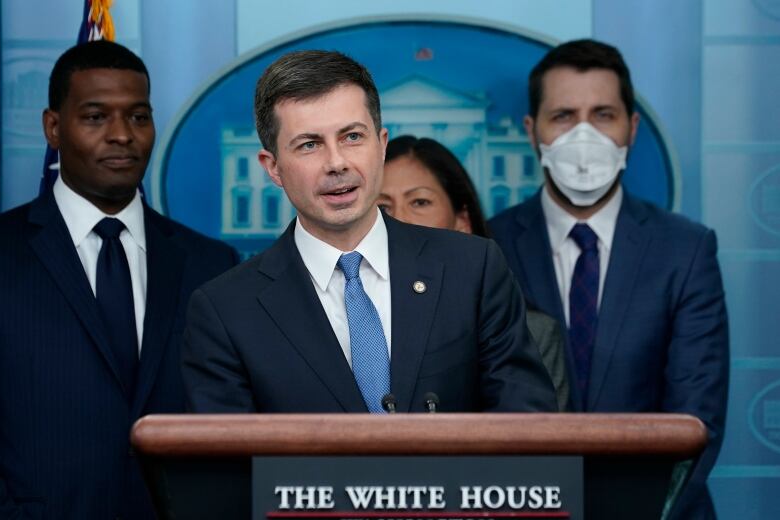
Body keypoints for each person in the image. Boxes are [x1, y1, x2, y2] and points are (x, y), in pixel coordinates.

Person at [182, 50, 557, 415]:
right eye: (310, 145)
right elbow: (226, 469)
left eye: (352, 137)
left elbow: (526, 429)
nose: (336, 163)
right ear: (273, 167)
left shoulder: (473, 269)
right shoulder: (226, 311)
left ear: (381, 145)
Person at [488, 39, 728, 519]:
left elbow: (696, 419)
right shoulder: (487, 249)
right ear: (532, 131)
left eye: (602, 115)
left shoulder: (686, 250)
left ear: (631, 129)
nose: (584, 137)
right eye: (563, 116)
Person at [0, 40, 238, 519]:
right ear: (53, 127)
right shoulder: (6, 253)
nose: (121, 135)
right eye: (94, 116)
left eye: (138, 116)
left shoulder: (212, 264)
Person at [378, 135, 570, 411]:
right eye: (383, 207)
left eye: (420, 202)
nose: (400, 220)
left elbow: (540, 446)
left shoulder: (532, 333)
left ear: (462, 221)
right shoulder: (352, 324)